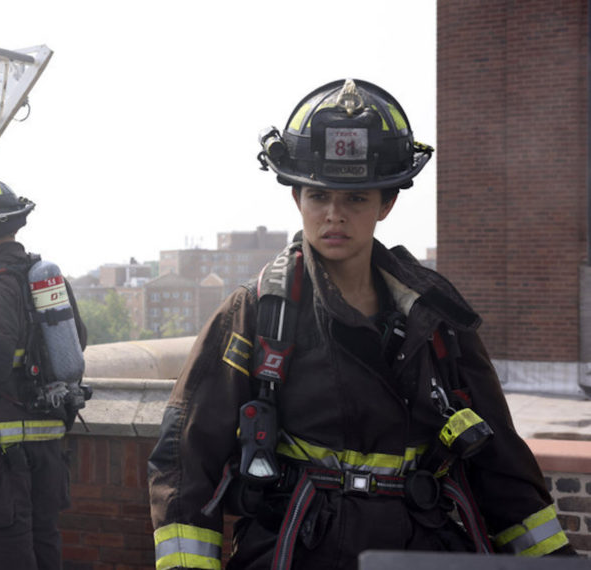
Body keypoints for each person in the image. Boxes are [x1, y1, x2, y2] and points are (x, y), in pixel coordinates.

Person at [147, 79, 577, 570]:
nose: (334, 216)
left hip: (421, 549)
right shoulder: (256, 313)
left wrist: (554, 561)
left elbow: (502, 467)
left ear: (386, 204)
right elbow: (186, 459)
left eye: (355, 199)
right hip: (298, 551)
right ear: (297, 201)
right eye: (319, 196)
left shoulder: (436, 318)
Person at [0, 179, 88, 570]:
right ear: (18, 224)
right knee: (44, 544)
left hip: (4, 458)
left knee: (7, 550)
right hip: (48, 448)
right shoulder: (43, 278)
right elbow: (79, 340)